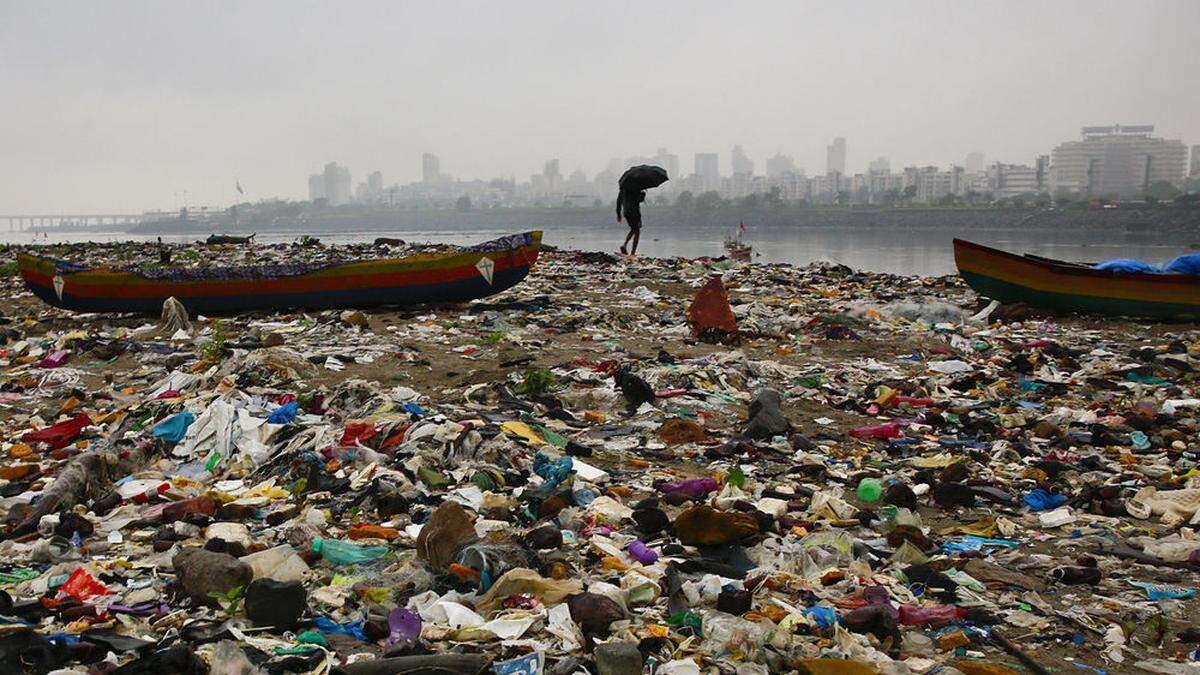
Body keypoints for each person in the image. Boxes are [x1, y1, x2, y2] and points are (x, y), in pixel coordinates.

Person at [616, 186, 646, 256]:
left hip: (626, 212)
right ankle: (633, 253)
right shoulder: (635, 188)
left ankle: (624, 245)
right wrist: (643, 194)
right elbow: (639, 200)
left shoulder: (622, 190)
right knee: (637, 231)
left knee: (633, 229)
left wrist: (619, 215)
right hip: (634, 212)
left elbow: (618, 202)